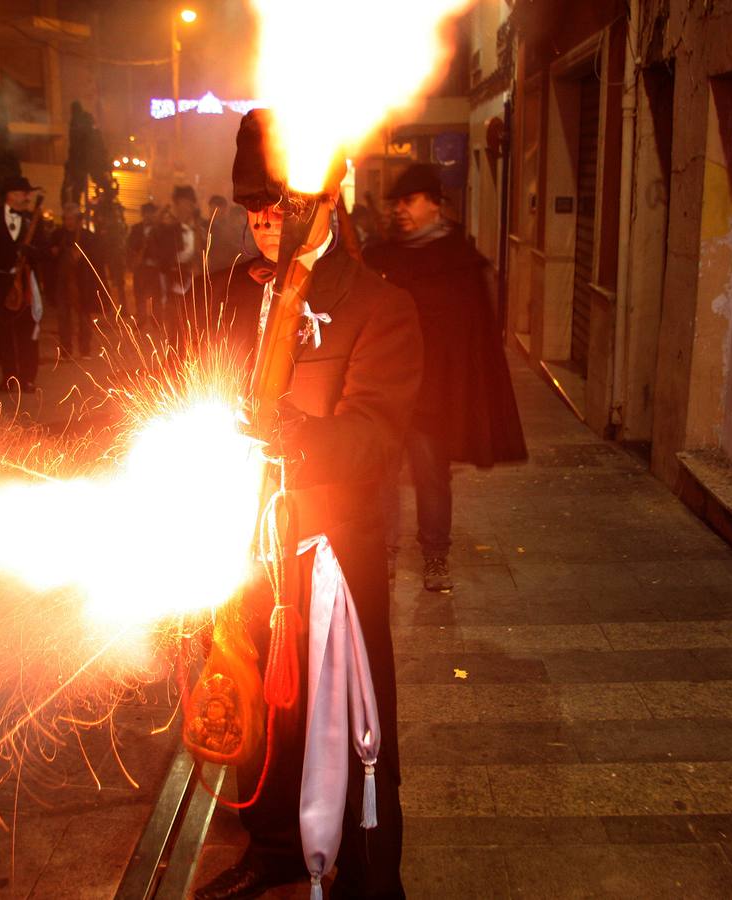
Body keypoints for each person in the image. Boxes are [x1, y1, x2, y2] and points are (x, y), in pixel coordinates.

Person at [195, 109, 421, 900]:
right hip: (236, 545)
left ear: (326, 203)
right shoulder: (220, 292)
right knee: (252, 716)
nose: (262, 221)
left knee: (349, 724)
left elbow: (374, 437)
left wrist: (292, 434)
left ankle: (365, 879)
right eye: (251, 206)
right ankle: (273, 844)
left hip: (330, 556)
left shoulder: (379, 304)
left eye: (277, 204)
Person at [363, 163, 527, 592]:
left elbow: (475, 334)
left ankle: (435, 556)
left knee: (431, 474)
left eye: (410, 200)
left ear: (435, 204)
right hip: (384, 392)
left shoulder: (459, 261)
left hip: (433, 394)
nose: (401, 209)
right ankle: (384, 552)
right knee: (380, 475)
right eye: (396, 202)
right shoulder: (382, 257)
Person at [0, 175, 45, 393]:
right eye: (24, 193)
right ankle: (9, 376)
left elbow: (44, 250)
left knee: (28, 332)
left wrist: (32, 252)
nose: (28, 197)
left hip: (25, 280)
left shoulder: (33, 220)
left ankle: (27, 378)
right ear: (11, 195)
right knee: (3, 333)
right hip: (0, 281)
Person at [49, 202, 101, 359]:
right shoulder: (57, 235)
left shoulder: (87, 237)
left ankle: (85, 349)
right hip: (63, 282)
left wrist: (83, 256)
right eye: (66, 219)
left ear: (78, 220)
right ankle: (66, 350)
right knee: (63, 317)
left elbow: (97, 258)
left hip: (82, 283)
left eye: (72, 219)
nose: (69, 222)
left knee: (84, 317)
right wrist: (54, 252)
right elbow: (49, 258)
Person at [127, 201, 175, 328]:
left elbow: (165, 246)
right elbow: (130, 246)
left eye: (151, 213)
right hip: (141, 267)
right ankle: (141, 318)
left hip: (155, 268)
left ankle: (156, 320)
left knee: (156, 295)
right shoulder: (136, 229)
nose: (148, 216)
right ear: (143, 215)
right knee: (139, 294)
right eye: (146, 213)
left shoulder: (161, 229)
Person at [167, 184, 207, 313]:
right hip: (174, 277)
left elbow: (206, 252)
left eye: (187, 204)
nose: (184, 209)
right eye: (180, 205)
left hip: (197, 277)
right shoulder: (170, 230)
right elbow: (164, 256)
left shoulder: (202, 228)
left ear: (193, 206)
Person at [206, 193, 251, 274]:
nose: (214, 211)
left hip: (230, 267)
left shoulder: (229, 228)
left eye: (218, 207)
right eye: (212, 208)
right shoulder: (205, 226)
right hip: (214, 266)